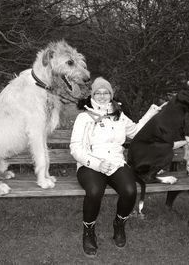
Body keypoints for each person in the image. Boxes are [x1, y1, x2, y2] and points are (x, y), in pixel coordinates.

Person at [69, 77, 162, 256]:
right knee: (95, 191)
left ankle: (119, 225)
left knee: (129, 190)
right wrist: (96, 163)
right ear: (92, 95)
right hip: (91, 164)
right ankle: (88, 232)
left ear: (111, 95)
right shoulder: (84, 117)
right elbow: (75, 148)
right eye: (98, 93)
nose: (102, 96)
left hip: (116, 163)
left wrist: (150, 113)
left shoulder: (119, 115)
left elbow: (135, 132)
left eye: (106, 92)